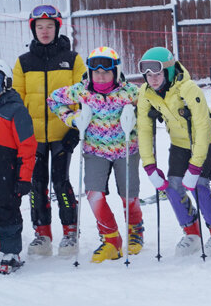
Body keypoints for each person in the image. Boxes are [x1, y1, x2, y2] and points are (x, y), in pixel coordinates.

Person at [47, 47, 142, 263]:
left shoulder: (130, 92)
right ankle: (111, 239)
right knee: (93, 194)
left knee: (129, 194)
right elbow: (53, 100)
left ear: (115, 72)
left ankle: (135, 230)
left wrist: (135, 114)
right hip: (95, 151)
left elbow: (149, 105)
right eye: (95, 71)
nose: (100, 76)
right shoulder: (82, 91)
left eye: (106, 72)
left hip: (126, 149)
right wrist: (73, 118)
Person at [137, 47, 211, 257]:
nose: (153, 79)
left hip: (205, 142)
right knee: (172, 187)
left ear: (168, 72)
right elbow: (143, 128)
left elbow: (203, 127)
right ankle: (191, 232)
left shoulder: (188, 89)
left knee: (199, 186)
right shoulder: (146, 93)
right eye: (148, 75)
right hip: (179, 143)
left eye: (158, 74)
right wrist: (149, 166)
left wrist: (196, 166)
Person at [12, 5, 86, 256]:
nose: (45, 32)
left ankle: (69, 232)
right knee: (37, 183)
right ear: (33, 29)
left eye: (50, 26)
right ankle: (42, 234)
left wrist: (76, 128)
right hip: (33, 137)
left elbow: (85, 96)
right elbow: (17, 102)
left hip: (63, 134)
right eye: (40, 27)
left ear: (57, 28)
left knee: (61, 182)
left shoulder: (73, 60)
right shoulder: (23, 62)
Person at [0, 60, 37, 274]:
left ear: (6, 83)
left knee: (7, 211)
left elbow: (28, 146)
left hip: (7, 173)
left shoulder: (15, 110)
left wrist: (24, 178)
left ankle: (10, 252)